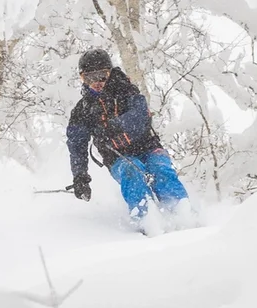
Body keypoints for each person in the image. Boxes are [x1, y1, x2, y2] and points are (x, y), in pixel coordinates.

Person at [66, 49, 192, 230]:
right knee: (134, 172)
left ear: (109, 73)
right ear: (82, 78)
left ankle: (183, 216)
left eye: (102, 76)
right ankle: (147, 221)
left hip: (148, 147)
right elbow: (76, 144)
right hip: (118, 157)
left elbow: (141, 115)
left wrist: (115, 125)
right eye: (89, 78)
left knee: (160, 170)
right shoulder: (83, 110)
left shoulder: (126, 91)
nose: (97, 83)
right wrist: (80, 177)